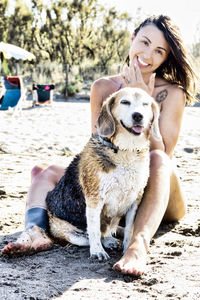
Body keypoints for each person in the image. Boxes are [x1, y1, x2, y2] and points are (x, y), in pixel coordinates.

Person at [1, 15, 198, 276]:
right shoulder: (103, 87)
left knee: (159, 159)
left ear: (166, 57)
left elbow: (164, 153)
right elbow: (99, 148)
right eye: (145, 42)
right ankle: (35, 232)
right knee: (42, 170)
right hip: (118, 187)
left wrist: (144, 96)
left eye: (159, 51)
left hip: (158, 193)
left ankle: (137, 246)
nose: (148, 55)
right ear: (132, 39)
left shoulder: (172, 92)